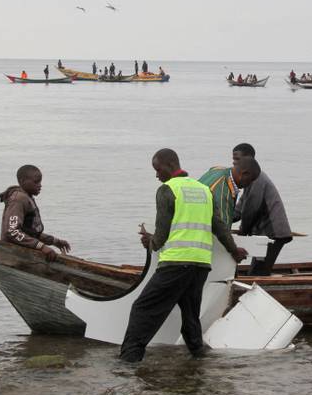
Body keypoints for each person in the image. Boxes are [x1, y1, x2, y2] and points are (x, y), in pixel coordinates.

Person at [119, 149, 247, 363]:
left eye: (157, 169)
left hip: (175, 263)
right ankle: (199, 356)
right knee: (190, 315)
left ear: (169, 165)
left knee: (143, 309)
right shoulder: (203, 190)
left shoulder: (167, 190)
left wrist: (149, 243)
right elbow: (219, 227)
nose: (156, 175)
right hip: (200, 266)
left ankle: (128, 359)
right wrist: (234, 251)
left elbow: (161, 236)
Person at [232, 144, 293, 276]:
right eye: (233, 160)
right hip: (264, 234)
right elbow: (239, 210)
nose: (234, 163)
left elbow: (250, 210)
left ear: (248, 159)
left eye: (237, 159)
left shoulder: (257, 179)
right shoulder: (248, 180)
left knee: (258, 273)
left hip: (274, 233)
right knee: (256, 270)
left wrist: (243, 233)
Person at [0, 165, 71, 260]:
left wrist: (56, 241)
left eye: (40, 182)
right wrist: (42, 246)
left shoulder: (27, 198)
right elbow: (12, 232)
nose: (40, 185)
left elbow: (32, 232)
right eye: (36, 182)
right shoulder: (18, 199)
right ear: (22, 181)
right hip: (14, 252)